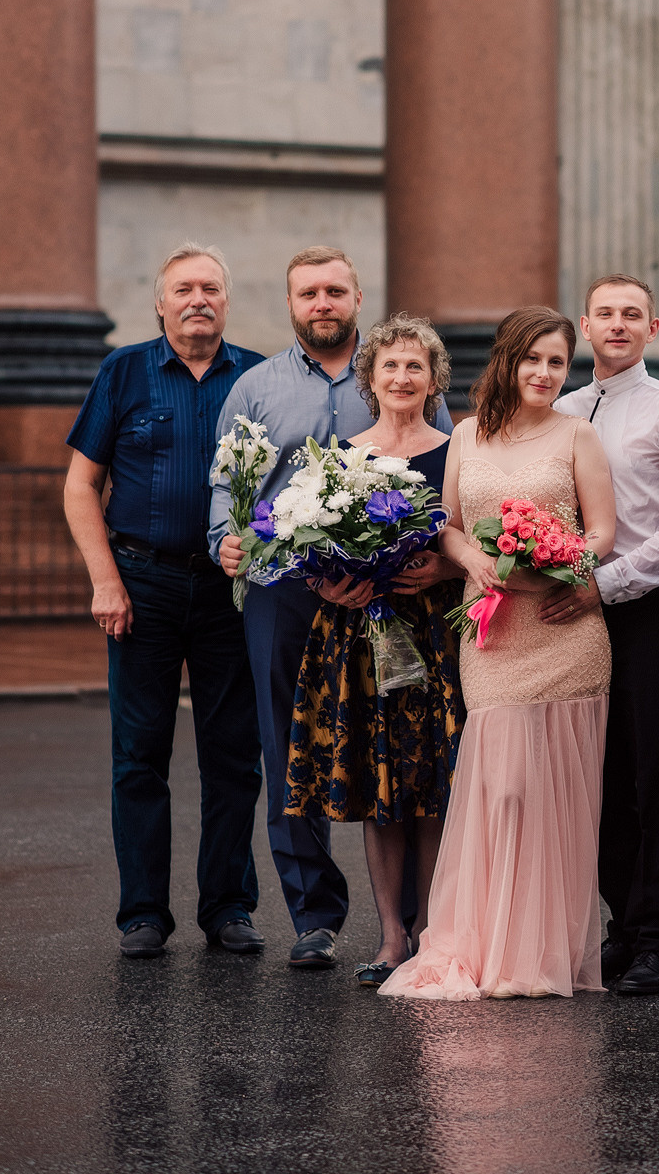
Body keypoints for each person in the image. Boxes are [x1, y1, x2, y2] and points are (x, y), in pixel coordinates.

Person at [211, 245, 452, 970]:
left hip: (406, 601)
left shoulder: (409, 383)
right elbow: (229, 480)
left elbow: (449, 493)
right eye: (309, 292)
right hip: (290, 592)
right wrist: (229, 537)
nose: (323, 303)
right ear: (292, 302)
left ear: (356, 298)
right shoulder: (254, 387)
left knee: (412, 756)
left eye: (335, 291)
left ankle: (422, 921)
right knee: (295, 746)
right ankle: (316, 915)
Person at [382, 306, 616, 1000]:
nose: (544, 373)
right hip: (491, 634)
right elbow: (449, 526)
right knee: (503, 788)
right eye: (533, 359)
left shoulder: (579, 436)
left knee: (556, 796)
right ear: (507, 361)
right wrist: (473, 559)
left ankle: (542, 952)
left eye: (557, 362)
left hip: (562, 628)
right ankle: (484, 941)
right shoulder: (465, 435)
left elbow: (603, 532)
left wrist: (559, 558)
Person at [64, 243, 265, 959]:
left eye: (211, 286)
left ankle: (229, 908)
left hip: (229, 590)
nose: (198, 299)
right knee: (139, 755)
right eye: (183, 289)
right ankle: (142, 914)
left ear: (226, 301)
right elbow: (80, 485)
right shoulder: (123, 371)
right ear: (160, 303)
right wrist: (104, 579)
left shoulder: (257, 378)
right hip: (140, 585)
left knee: (233, 756)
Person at [284, 315, 466, 988]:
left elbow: (468, 539)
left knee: (429, 783)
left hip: (433, 631)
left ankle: (432, 930)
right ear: (371, 378)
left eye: (415, 367)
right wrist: (331, 580)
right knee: (379, 781)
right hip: (358, 635)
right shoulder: (339, 455)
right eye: (389, 366)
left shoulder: (456, 452)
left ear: (433, 379)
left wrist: (444, 572)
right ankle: (391, 934)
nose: (401, 378)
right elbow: (308, 545)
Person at [554, 275, 659, 997]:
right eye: (606, 314)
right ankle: (621, 924)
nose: (617, 325)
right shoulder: (558, 409)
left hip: (644, 604)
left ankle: (658, 937)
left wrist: (610, 584)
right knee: (598, 772)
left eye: (633, 316)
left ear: (652, 330)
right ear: (584, 326)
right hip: (568, 611)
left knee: (652, 772)